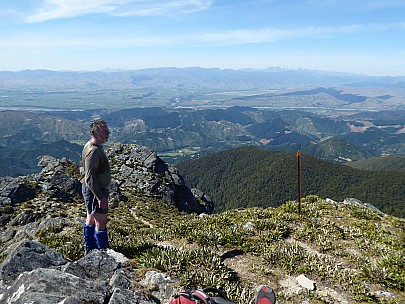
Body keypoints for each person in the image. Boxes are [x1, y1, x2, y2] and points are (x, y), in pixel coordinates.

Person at [81, 119, 111, 254]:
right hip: (96, 191)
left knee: (91, 217)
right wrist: (100, 197)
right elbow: (90, 177)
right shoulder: (93, 151)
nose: (107, 133)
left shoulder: (94, 146)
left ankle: (90, 249)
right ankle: (103, 252)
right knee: (101, 221)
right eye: (104, 131)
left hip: (92, 190)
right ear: (95, 132)